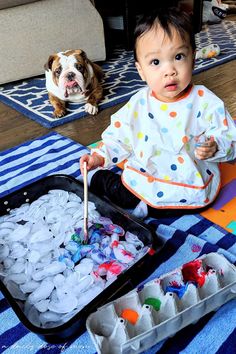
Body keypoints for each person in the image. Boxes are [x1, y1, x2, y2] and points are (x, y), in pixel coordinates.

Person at [80, 7, 236, 219]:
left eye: (179, 56)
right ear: (141, 70)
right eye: (155, 62)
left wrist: (216, 146)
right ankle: (97, 178)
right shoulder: (139, 103)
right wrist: (99, 157)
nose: (169, 70)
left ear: (193, 59)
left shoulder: (205, 101)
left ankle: (149, 207)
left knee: (198, 203)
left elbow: (230, 137)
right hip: (146, 179)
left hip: (190, 183)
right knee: (119, 190)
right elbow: (119, 136)